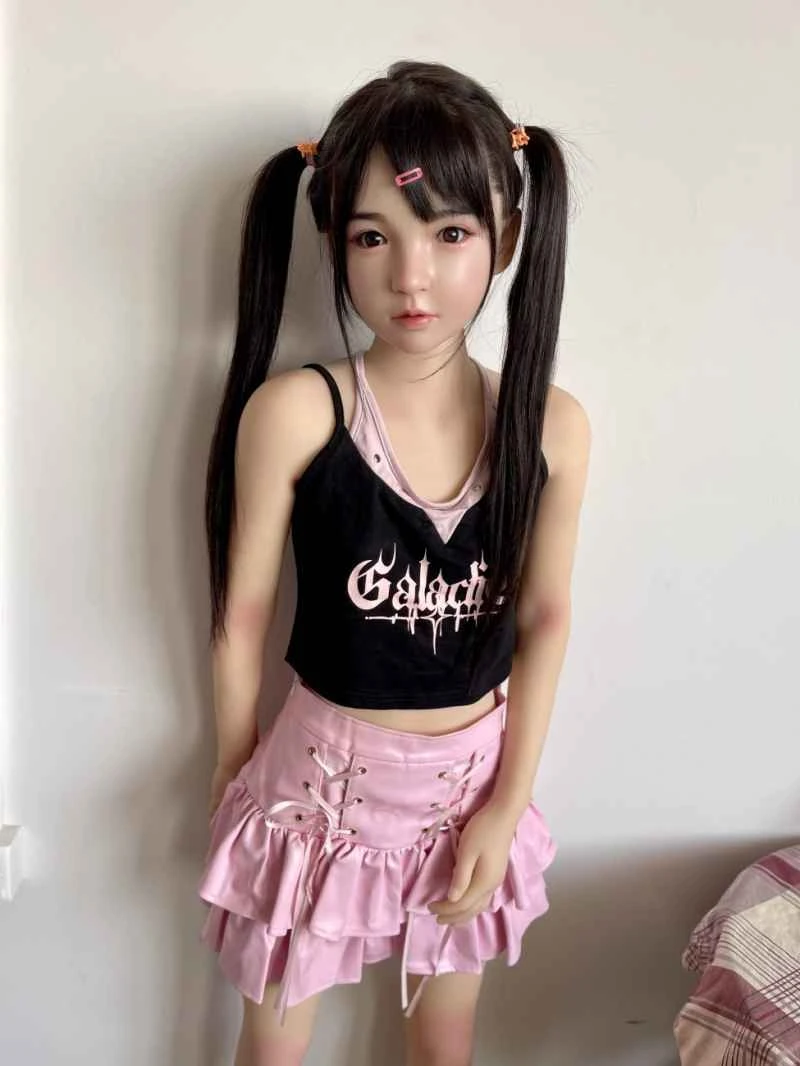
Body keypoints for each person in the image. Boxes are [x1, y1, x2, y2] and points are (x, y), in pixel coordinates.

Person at [199, 59, 591, 1066]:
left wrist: (507, 802)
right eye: (373, 236)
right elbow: (244, 613)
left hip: (468, 790)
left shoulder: (550, 426)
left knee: (444, 1040)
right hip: (314, 791)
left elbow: (545, 617)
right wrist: (232, 765)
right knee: (273, 1044)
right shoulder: (295, 412)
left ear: (506, 237)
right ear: (334, 240)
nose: (411, 276)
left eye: (449, 233)